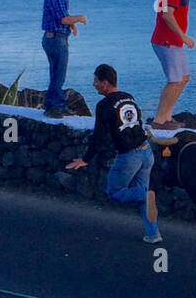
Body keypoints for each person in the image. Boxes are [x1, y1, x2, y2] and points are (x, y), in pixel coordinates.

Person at [65, 63, 161, 243]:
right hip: (146, 151)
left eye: (96, 81)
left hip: (129, 156)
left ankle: (145, 195)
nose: (94, 84)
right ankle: (153, 234)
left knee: (114, 191)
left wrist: (86, 159)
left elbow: (98, 136)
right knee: (142, 196)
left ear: (105, 82)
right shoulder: (129, 98)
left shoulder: (104, 105)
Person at [149, 0, 196, 130]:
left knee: (184, 78)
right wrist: (183, 36)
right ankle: (159, 120)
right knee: (174, 80)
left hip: (175, 42)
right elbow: (167, 15)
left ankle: (167, 116)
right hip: (166, 41)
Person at [41, 0, 87, 118]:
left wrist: (72, 25)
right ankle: (53, 107)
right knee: (58, 75)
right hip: (55, 39)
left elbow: (62, 16)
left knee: (57, 74)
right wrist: (79, 18)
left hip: (56, 37)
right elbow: (63, 19)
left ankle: (58, 105)